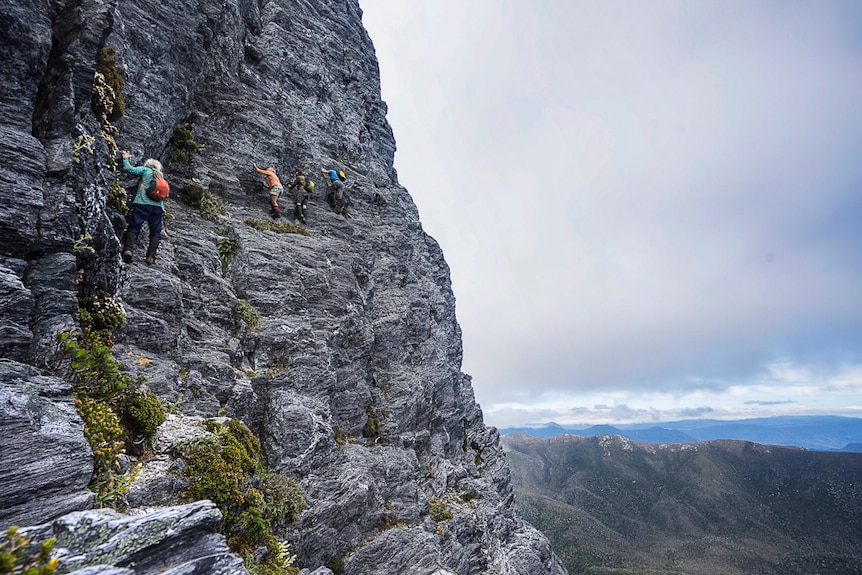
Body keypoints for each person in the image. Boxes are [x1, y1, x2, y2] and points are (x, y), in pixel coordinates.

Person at [120, 151, 166, 265]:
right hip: (158, 207)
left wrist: (125, 158)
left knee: (135, 226)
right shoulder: (161, 176)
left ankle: (128, 250)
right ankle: (151, 256)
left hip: (142, 204)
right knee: (155, 231)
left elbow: (129, 169)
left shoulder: (145, 170)